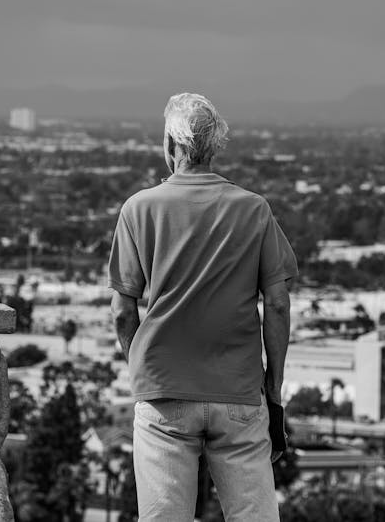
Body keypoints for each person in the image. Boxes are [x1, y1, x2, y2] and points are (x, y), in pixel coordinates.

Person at [109, 93, 297, 521]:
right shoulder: (254, 209)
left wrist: (141, 364)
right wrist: (273, 390)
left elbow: (122, 310)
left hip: (163, 390)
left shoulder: (139, 209)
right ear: (214, 147)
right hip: (240, 392)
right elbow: (279, 304)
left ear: (170, 145)